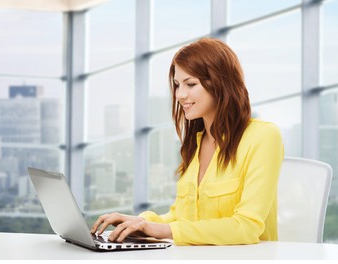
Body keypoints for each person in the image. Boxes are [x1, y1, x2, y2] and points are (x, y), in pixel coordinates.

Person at [91, 38, 284, 245]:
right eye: (176, 85)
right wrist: (140, 222)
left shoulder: (263, 136)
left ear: (220, 82)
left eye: (191, 84)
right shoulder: (197, 142)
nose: (180, 95)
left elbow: (247, 227)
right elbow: (182, 218)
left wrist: (162, 230)